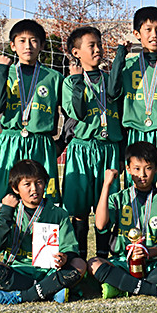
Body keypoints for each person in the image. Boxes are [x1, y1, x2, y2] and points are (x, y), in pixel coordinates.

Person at [107, 7, 157, 244]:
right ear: (136, 33)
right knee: (136, 192)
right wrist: (120, 55)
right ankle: (132, 247)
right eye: (148, 29)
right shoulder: (128, 65)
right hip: (137, 135)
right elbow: (111, 93)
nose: (154, 35)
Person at [87, 142, 157, 299]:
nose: (142, 174)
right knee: (93, 264)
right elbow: (101, 224)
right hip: (123, 261)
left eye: (148, 168)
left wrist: (147, 252)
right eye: (137, 168)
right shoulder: (118, 199)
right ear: (128, 169)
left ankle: (122, 286)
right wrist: (106, 185)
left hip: (154, 263)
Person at [0, 159, 86, 305]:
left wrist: (64, 258)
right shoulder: (11, 211)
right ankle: (50, 291)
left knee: (80, 264)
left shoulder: (58, 214)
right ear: (15, 188)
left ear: (45, 184)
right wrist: (6, 211)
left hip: (49, 272)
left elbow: (70, 248)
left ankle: (21, 296)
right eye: (27, 184)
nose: (34, 189)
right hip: (18, 270)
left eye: (39, 182)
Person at [0, 19, 63, 203]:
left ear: (42, 45)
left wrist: (62, 141)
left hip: (41, 144)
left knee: (43, 201)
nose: (28, 45)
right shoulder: (4, 73)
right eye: (22, 40)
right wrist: (2, 71)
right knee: (6, 199)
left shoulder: (54, 77)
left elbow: (71, 114)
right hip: (10, 142)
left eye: (34, 40)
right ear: (13, 45)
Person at [62, 26, 123, 260]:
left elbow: (117, 94)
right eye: (92, 45)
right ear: (76, 53)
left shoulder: (109, 79)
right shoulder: (70, 82)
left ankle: (102, 258)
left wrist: (119, 56)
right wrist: (77, 80)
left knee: (106, 205)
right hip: (82, 149)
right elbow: (76, 112)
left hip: (108, 149)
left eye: (99, 44)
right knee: (78, 210)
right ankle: (79, 257)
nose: (98, 49)